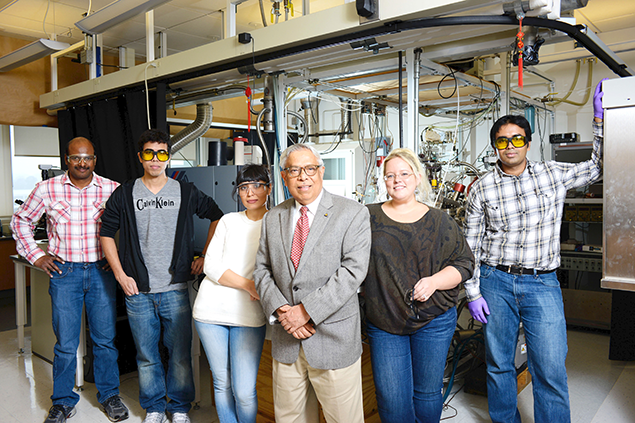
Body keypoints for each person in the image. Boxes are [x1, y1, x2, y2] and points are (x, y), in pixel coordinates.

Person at [463, 80, 606, 423]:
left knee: (550, 366)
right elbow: (471, 244)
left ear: (527, 142)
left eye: (516, 139)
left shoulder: (552, 174)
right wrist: (472, 292)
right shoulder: (481, 187)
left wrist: (600, 123)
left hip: (543, 285)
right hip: (496, 283)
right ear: (495, 146)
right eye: (502, 140)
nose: (509, 146)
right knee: (499, 364)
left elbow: (597, 167)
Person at [100, 129, 224, 423]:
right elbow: (105, 233)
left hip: (175, 288)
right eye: (149, 153)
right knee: (146, 355)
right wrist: (120, 275)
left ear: (168, 157)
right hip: (138, 291)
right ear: (140, 157)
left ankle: (179, 407)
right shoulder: (126, 192)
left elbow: (217, 215)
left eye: (162, 153)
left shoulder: (184, 190)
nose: (155, 160)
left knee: (180, 354)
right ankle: (154, 407)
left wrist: (205, 256)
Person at [11, 137, 128, 423]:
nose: (82, 163)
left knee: (105, 340)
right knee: (65, 343)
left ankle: (109, 395)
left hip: (102, 272)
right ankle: (63, 402)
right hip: (65, 275)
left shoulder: (112, 189)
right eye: (76, 158)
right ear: (67, 159)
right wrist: (36, 256)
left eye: (87, 158)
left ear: (95, 160)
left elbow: (131, 227)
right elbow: (20, 221)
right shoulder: (47, 189)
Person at [254, 143, 371, 423]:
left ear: (322, 171)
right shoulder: (273, 217)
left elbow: (353, 271)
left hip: (333, 340)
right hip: (287, 338)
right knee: (289, 418)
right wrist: (283, 310)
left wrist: (305, 311)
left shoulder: (352, 213)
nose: (302, 177)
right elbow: (261, 269)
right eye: (294, 170)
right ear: (284, 177)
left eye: (309, 169)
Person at [363, 148, 474, 423]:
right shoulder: (367, 217)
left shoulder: (440, 221)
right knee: (391, 397)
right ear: (384, 180)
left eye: (404, 173)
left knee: (425, 393)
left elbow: (464, 264)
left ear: (417, 177)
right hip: (385, 319)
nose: (397, 179)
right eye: (390, 175)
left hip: (433, 319)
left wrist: (434, 281)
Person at [192, 164, 271, 423]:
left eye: (257, 185)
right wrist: (248, 284)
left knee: (244, 390)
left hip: (249, 315)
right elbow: (211, 266)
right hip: (210, 311)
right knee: (221, 382)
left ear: (268, 189)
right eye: (244, 187)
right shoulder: (228, 221)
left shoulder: (275, 223)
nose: (250, 193)